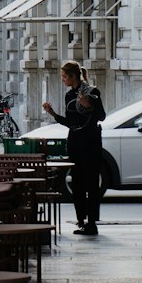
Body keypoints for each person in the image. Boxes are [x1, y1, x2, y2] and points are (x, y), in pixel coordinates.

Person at [44, 60, 106, 235]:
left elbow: (102, 116)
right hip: (75, 141)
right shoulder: (69, 96)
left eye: (65, 76)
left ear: (73, 76)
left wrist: (88, 105)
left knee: (92, 182)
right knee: (77, 182)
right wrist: (53, 114)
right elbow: (70, 122)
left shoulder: (92, 92)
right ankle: (81, 220)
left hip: (91, 141)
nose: (63, 79)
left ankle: (92, 222)